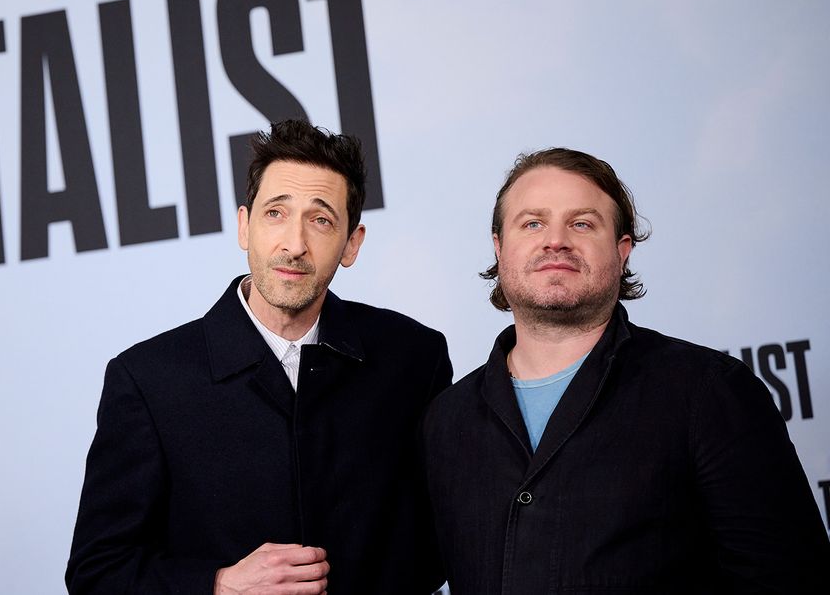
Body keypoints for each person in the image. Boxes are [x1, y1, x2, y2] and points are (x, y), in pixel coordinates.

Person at [66, 119, 452, 594]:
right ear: (244, 226)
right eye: (276, 214)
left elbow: (446, 540)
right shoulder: (148, 380)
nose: (294, 244)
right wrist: (218, 586)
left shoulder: (414, 357)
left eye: (321, 219)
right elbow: (97, 573)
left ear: (352, 243)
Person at [422, 147, 830, 593]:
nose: (555, 240)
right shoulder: (446, 420)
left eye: (582, 223)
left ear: (622, 251)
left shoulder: (710, 393)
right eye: (533, 223)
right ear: (499, 248)